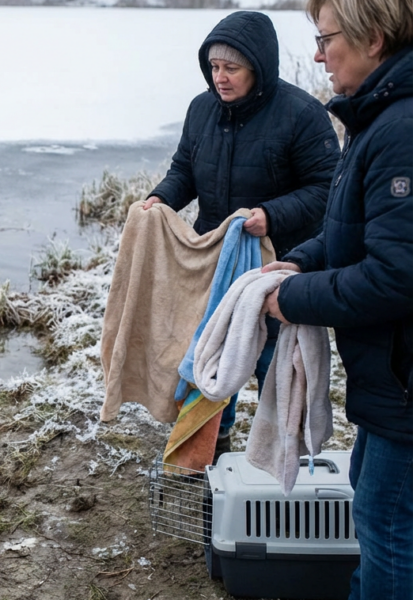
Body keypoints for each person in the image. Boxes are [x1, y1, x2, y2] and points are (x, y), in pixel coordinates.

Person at [261, 1, 413, 597]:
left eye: (326, 40)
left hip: (404, 381)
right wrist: (302, 257)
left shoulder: (401, 129)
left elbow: (396, 274)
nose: (319, 55)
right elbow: (355, 228)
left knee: (389, 527)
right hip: (389, 380)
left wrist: (294, 298)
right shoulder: (376, 116)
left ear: (373, 39)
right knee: (376, 512)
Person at [142, 10, 340, 458]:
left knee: (276, 372)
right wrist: (161, 200)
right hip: (217, 267)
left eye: (231, 68)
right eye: (214, 67)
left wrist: (271, 215)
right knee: (213, 368)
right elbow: (184, 171)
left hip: (281, 270)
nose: (220, 78)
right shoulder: (201, 110)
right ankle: (214, 455)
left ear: (258, 67)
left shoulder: (301, 114)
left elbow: (329, 188)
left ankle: (288, 462)